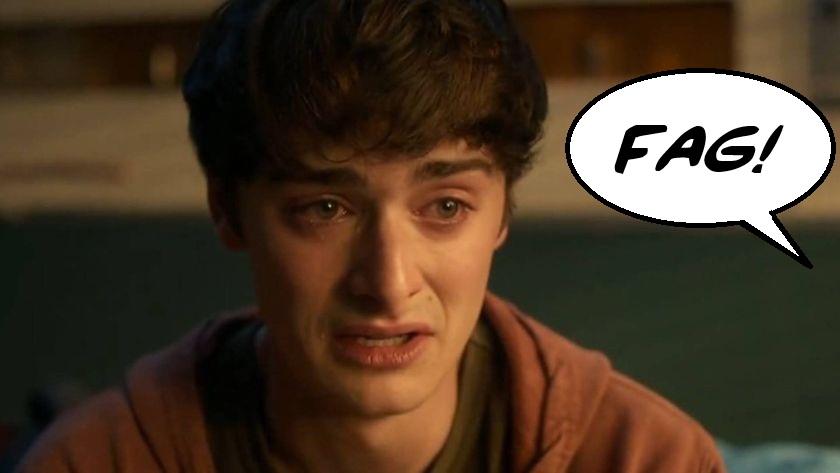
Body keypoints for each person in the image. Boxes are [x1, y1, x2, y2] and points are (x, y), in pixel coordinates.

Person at [16, 0, 725, 472]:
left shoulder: (644, 458)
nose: (388, 283)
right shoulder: (94, 461)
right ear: (229, 210)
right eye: (325, 208)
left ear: (503, 212)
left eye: (445, 206)